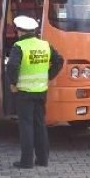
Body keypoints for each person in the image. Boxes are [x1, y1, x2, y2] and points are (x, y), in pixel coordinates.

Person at [7, 15, 64, 169]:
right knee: (40, 125)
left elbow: (12, 66)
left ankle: (26, 161)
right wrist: (48, 76)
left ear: (20, 31)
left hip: (24, 92)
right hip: (40, 91)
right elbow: (59, 61)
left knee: (26, 126)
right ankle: (43, 159)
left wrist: (13, 83)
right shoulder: (45, 45)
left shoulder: (19, 46)